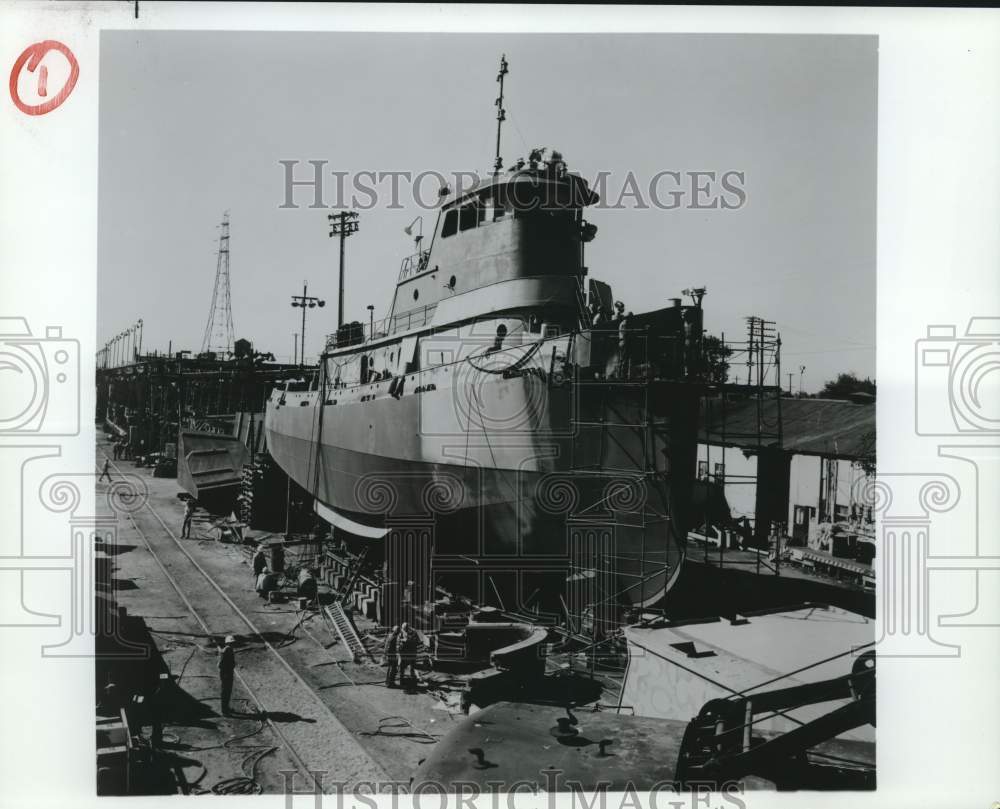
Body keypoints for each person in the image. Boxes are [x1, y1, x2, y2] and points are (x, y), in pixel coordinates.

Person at [218, 635, 236, 716]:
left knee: (228, 692)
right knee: (225, 692)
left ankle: (226, 708)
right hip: (226, 674)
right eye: (230, 643)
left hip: (228, 673)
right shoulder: (225, 651)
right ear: (227, 643)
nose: (232, 644)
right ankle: (224, 711)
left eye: (232, 643)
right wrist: (225, 674)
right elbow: (220, 665)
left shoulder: (229, 650)